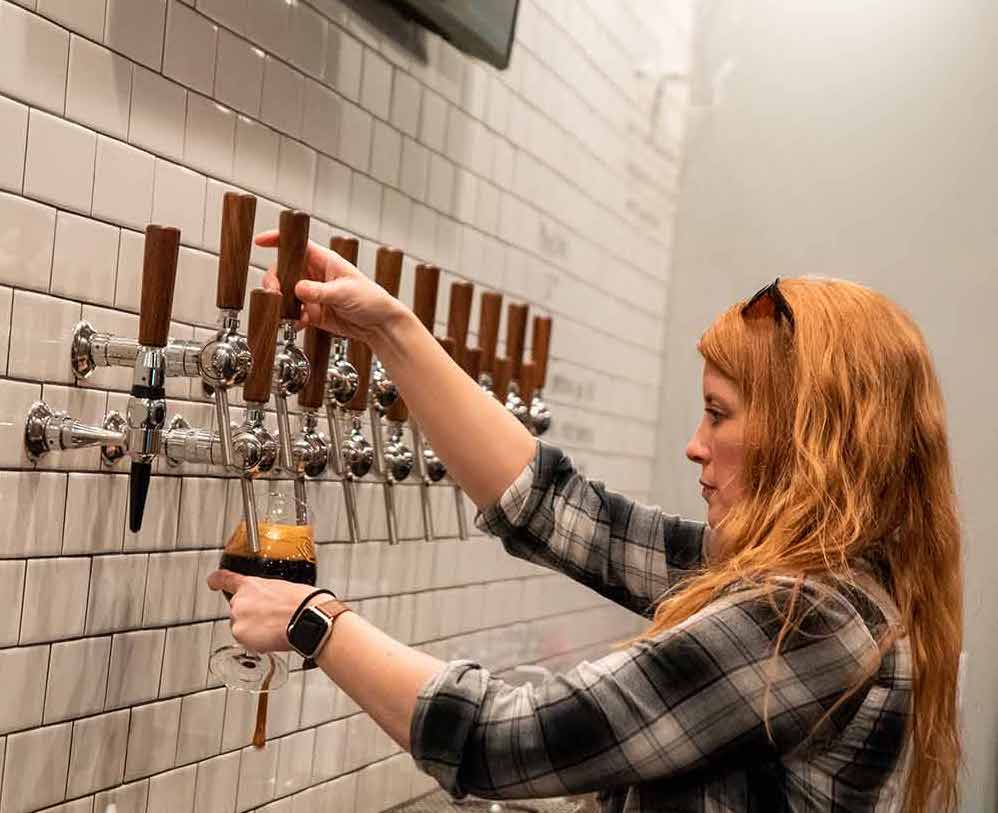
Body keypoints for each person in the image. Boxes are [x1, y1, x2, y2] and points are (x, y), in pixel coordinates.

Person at [209, 237, 962, 813]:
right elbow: (567, 513)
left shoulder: (807, 617)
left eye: (719, 414)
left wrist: (317, 623)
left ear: (812, 437)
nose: (694, 444)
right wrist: (391, 331)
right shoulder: (819, 581)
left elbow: (508, 737)